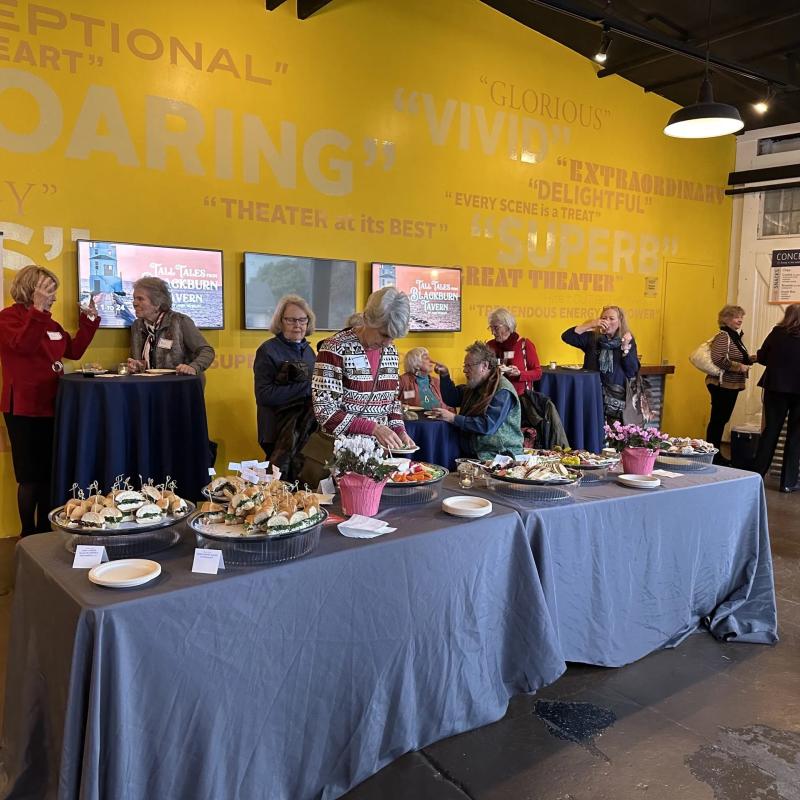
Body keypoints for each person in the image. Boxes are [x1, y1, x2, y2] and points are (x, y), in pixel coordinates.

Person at [0, 265, 100, 535]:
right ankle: (27, 532)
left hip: (53, 405)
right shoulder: (7, 318)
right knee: (30, 476)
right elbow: (24, 346)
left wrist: (89, 320)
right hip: (23, 408)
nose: (54, 297)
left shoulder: (50, 323)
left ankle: (45, 529)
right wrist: (38, 311)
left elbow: (74, 350)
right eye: (49, 291)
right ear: (33, 290)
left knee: (48, 474)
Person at [312, 287, 415, 450]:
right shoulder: (334, 348)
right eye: (383, 334)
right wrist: (373, 428)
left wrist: (399, 430)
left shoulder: (390, 350)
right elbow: (325, 411)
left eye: (393, 337)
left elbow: (392, 402)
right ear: (368, 319)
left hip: (377, 454)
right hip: (340, 452)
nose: (387, 343)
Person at [253, 295, 317, 476]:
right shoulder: (268, 350)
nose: (297, 325)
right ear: (280, 321)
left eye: (303, 320)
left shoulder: (308, 351)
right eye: (291, 320)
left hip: (304, 430)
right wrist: (306, 388)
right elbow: (264, 394)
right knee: (279, 483)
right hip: (276, 431)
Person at [429, 341, 523, 460]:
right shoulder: (476, 385)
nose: (464, 370)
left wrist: (453, 418)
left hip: (498, 455)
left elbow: (487, 425)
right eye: (465, 366)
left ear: (484, 366)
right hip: (475, 452)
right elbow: (453, 398)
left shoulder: (502, 391)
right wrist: (445, 375)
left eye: (469, 366)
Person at [751, 304, 800, 492]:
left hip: (776, 387)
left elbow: (763, 357)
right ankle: (788, 483)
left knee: (770, 431)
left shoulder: (777, 332)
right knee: (795, 436)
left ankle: (757, 474)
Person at [561, 305, 640, 421]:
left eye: (611, 318)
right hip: (591, 391)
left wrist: (625, 348)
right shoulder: (592, 338)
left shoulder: (627, 340)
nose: (607, 321)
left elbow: (631, 371)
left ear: (620, 322)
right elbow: (567, 336)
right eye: (604, 318)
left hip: (615, 396)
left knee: (612, 432)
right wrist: (590, 324)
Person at [127, 277, 215, 375]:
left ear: (157, 303)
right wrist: (136, 365)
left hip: (180, 384)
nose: (134, 303)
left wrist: (193, 368)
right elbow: (142, 361)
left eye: (140, 299)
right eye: (134, 298)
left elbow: (207, 351)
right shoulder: (137, 326)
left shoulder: (180, 321)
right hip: (148, 384)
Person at [705, 305, 755, 465]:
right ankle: (713, 453)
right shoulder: (723, 336)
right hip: (721, 384)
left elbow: (740, 357)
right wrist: (738, 367)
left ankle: (714, 452)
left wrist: (752, 358)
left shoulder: (736, 337)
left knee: (722, 418)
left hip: (731, 385)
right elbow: (718, 358)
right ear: (725, 319)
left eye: (741, 317)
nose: (740, 320)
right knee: (718, 420)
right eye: (735, 317)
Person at [485, 307, 542, 394]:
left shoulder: (524, 344)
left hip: (520, 398)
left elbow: (538, 373)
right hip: (495, 396)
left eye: (496, 328)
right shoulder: (490, 345)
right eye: (491, 328)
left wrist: (520, 374)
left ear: (508, 326)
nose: (493, 332)